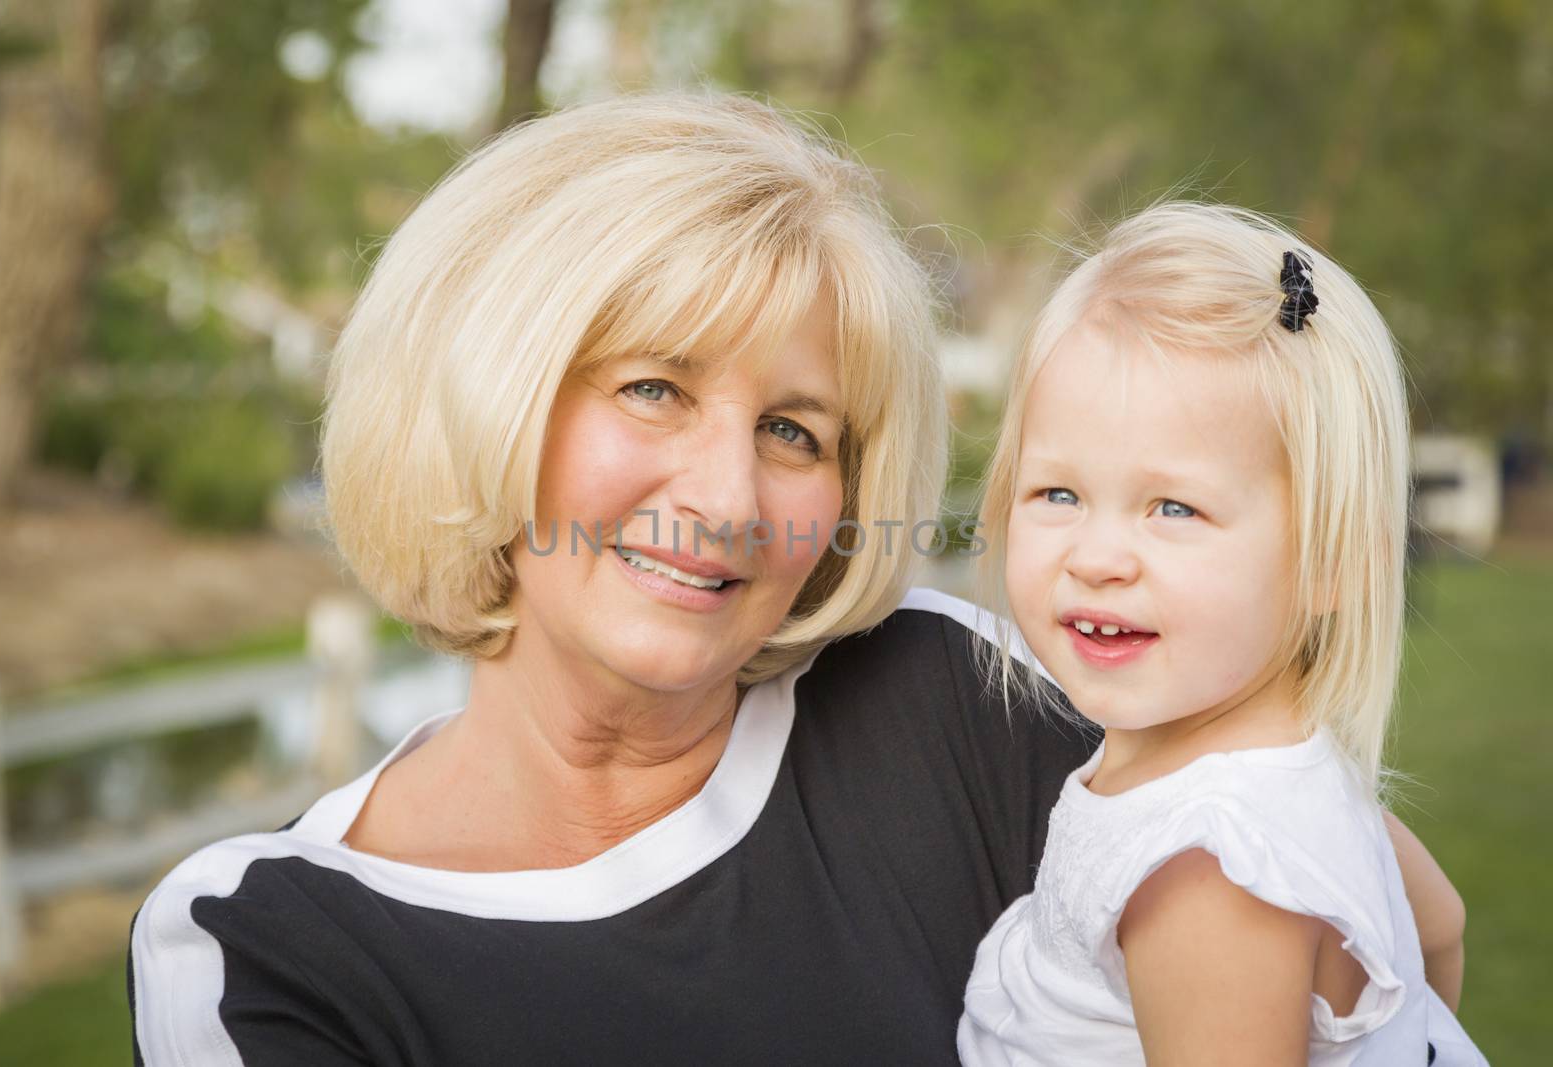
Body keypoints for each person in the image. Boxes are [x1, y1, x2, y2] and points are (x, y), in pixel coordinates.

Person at [127, 96, 1460, 1065]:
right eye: (653, 387)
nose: (726, 500)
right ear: (487, 400)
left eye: (794, 431)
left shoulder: (959, 698)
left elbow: (1406, 931)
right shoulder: (264, 945)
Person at [956, 203, 1485, 1065]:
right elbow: (1440, 927)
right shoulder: (1292, 785)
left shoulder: (1211, 881)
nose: (1096, 556)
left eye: (1174, 507)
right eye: (1058, 492)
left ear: (1333, 563)